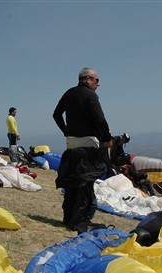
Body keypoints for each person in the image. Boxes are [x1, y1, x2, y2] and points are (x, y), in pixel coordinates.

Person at [53, 66, 114, 231]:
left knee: (73, 182)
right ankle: (79, 221)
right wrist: (107, 139)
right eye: (97, 80)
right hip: (88, 145)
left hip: (71, 145)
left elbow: (56, 114)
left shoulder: (69, 93)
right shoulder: (90, 96)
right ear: (87, 79)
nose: (98, 84)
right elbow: (100, 120)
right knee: (85, 184)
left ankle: (68, 217)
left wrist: (66, 131)